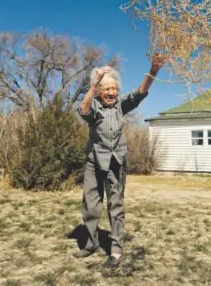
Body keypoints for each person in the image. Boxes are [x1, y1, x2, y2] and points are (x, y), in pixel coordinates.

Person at [74, 54, 166, 268]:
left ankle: (116, 250)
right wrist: (93, 83)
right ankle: (90, 244)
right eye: (106, 89)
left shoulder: (120, 106)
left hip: (116, 161)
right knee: (91, 206)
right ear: (99, 91)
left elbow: (140, 93)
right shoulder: (94, 106)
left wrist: (153, 71)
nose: (111, 92)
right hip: (94, 160)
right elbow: (83, 110)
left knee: (116, 205)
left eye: (114, 88)